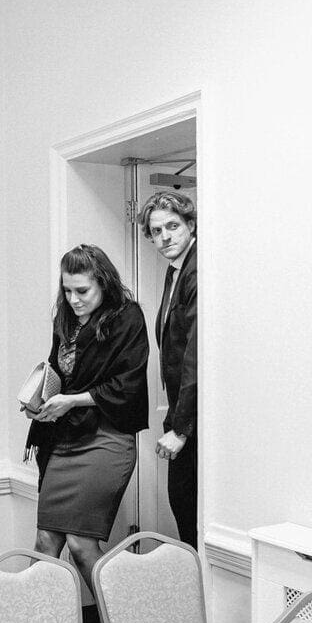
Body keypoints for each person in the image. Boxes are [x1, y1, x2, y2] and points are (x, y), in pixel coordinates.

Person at [24, 245, 149, 623]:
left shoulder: (127, 318)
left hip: (107, 438)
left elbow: (128, 385)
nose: (74, 300)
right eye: (68, 291)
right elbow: (58, 370)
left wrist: (73, 401)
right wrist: (41, 397)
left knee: (80, 543)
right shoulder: (65, 317)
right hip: (65, 439)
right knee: (45, 539)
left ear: (103, 283)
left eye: (83, 291)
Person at [138, 190, 198, 549]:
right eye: (157, 231)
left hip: (192, 422)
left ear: (190, 225)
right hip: (180, 413)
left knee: (188, 508)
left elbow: (194, 355)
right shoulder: (175, 270)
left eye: (173, 226)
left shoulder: (196, 270)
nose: (166, 237)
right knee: (182, 503)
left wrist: (181, 427)